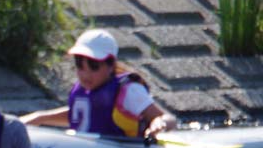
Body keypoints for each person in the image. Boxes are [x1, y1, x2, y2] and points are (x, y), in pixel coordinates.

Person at [20, 29, 178, 139]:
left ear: (111, 65)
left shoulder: (129, 91)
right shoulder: (83, 90)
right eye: (80, 65)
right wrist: (39, 118)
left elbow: (168, 118)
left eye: (94, 66)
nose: (85, 73)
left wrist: (160, 123)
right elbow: (81, 114)